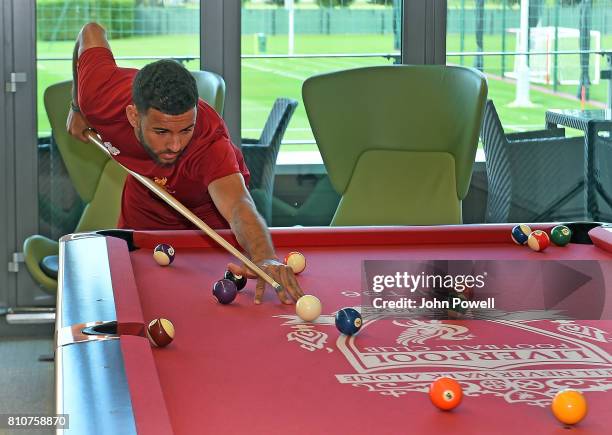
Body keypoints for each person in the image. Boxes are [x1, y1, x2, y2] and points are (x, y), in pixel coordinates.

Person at [67, 22, 303, 305]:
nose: (176, 146)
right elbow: (90, 31)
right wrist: (78, 106)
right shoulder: (100, 96)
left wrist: (264, 257)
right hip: (143, 212)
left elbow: (239, 205)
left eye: (185, 130)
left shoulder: (209, 143)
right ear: (132, 116)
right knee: (135, 303)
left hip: (208, 227)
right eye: (162, 132)